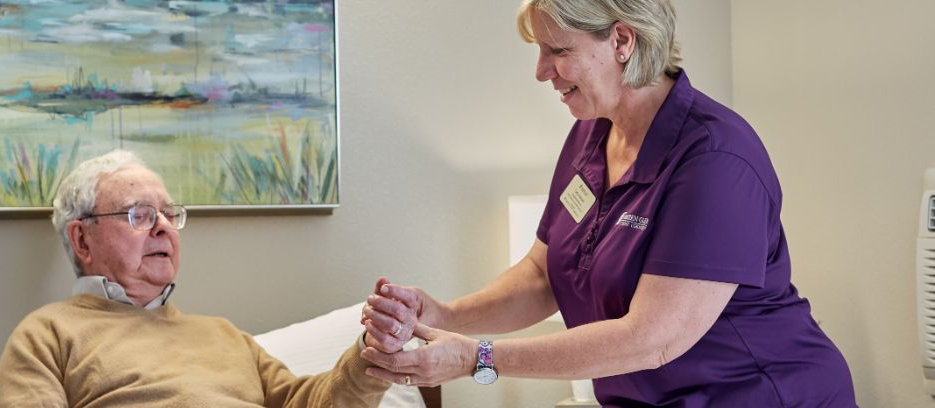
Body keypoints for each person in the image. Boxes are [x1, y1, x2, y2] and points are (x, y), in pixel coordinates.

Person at [358, 0, 857, 406]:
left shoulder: (716, 158)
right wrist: (444, 315)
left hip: (761, 396)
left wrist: (477, 358)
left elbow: (652, 338)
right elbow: (542, 276)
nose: (541, 72)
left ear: (621, 41)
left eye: (557, 50)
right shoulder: (590, 136)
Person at [0, 150, 391, 408]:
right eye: (139, 214)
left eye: (169, 214)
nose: (163, 227)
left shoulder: (224, 335)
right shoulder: (46, 335)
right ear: (83, 239)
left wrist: (372, 352)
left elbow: (306, 403)